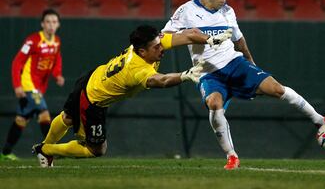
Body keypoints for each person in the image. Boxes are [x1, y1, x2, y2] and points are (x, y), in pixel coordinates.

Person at [162, 0, 325, 170]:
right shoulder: (186, 11)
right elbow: (165, 37)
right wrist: (189, 35)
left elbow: (239, 39)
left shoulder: (228, 11)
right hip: (208, 73)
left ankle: (320, 120)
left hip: (235, 64)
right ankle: (232, 156)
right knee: (214, 104)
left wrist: (250, 61)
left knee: (277, 89)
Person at [31, 24, 232, 167]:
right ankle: (47, 151)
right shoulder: (137, 69)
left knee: (67, 117)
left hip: (92, 76)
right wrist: (185, 75)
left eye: (160, 43)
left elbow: (188, 35)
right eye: (156, 47)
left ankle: (43, 149)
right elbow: (160, 81)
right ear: (143, 51)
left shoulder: (148, 46)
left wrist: (210, 40)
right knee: (96, 150)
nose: (161, 48)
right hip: (92, 100)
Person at [0, 9, 65, 161]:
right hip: (29, 85)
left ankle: (5, 152)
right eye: (48, 22)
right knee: (44, 115)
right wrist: (17, 85)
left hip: (39, 88)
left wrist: (57, 75)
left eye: (54, 22)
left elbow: (56, 59)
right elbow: (17, 62)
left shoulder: (56, 41)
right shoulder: (33, 40)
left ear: (58, 25)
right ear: (42, 24)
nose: (51, 25)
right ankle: (51, 150)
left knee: (21, 120)